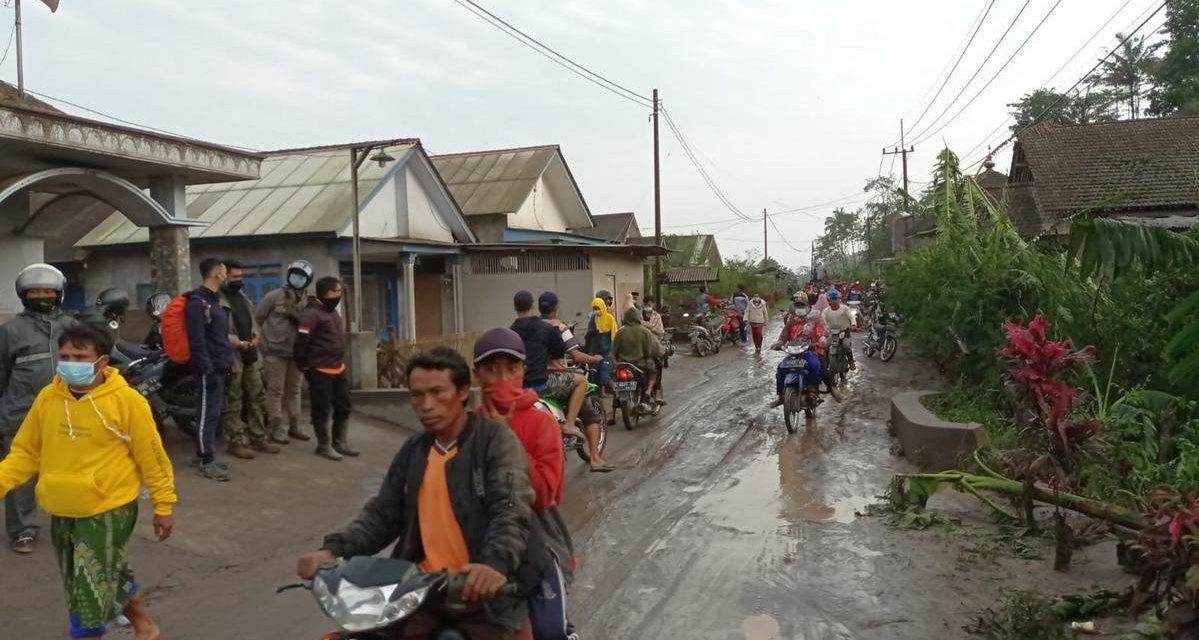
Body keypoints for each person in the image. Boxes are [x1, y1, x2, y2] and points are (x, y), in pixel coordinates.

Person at [296, 348, 539, 640]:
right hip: (420, 594)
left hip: (485, 596)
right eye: (417, 395)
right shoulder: (414, 450)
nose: (426, 405)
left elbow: (511, 507)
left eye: (437, 393)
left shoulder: (494, 441)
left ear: (462, 392)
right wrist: (332, 550)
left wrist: (493, 565)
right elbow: (383, 514)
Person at [0, 323, 176, 639]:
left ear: (102, 361)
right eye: (65, 356)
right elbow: (25, 452)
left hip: (107, 508)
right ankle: (144, 625)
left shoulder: (127, 401)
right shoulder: (47, 398)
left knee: (87, 587)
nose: (71, 363)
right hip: (61, 506)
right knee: (100, 572)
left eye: (80, 357)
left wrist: (164, 505)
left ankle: (89, 633)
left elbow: (153, 458)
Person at [472, 329, 578, 637]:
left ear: (523, 371)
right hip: (480, 546)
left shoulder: (540, 422)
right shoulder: (468, 428)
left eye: (511, 369)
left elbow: (545, 494)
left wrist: (505, 441)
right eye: (491, 369)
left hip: (539, 543)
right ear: (477, 374)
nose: (502, 378)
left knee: (548, 630)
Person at [0, 263, 76, 554]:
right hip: (19, 414)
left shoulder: (71, 327)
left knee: (68, 472)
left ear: (59, 294)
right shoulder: (10, 331)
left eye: (47, 291)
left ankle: (71, 524)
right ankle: (23, 531)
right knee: (20, 476)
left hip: (66, 412)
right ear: (23, 295)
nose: (41, 295)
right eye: (34, 291)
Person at [537, 292, 611, 473]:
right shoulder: (559, 327)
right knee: (589, 412)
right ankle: (594, 457)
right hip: (553, 379)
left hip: (531, 380)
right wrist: (595, 359)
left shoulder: (532, 327)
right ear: (556, 309)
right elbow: (576, 354)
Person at [219, 260, 279, 460]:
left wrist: (255, 336)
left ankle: (258, 437)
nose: (239, 280)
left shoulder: (242, 296)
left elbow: (253, 320)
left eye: (240, 276)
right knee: (234, 400)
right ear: (224, 276)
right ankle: (235, 441)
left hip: (250, 355)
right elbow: (218, 331)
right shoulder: (218, 300)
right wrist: (235, 342)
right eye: (234, 277)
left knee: (257, 396)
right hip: (233, 357)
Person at [294, 277, 355, 461]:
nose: (337, 296)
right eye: (334, 292)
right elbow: (301, 343)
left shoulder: (333, 312)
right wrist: (304, 366)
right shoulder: (311, 314)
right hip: (319, 369)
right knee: (321, 408)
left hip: (337, 367)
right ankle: (323, 445)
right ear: (323, 294)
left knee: (344, 406)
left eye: (339, 292)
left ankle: (340, 442)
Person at [254, 259, 314, 445]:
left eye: (302, 276)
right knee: (275, 391)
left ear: (308, 279)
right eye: (295, 274)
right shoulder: (274, 296)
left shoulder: (308, 300)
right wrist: (262, 342)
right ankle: (276, 428)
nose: (297, 278)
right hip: (274, 351)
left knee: (295, 390)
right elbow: (258, 318)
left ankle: (294, 426)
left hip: (297, 353)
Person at [187, 258, 234, 482]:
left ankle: (204, 455)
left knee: (213, 414)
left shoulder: (213, 301)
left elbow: (219, 338)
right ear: (215, 273)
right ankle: (206, 461)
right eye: (224, 271)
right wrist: (206, 368)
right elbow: (197, 341)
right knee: (207, 414)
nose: (226, 275)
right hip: (208, 369)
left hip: (219, 365)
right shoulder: (198, 303)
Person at [611, 307, 658, 410]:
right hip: (639, 364)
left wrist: (615, 365)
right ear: (638, 317)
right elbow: (647, 352)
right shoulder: (644, 331)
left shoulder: (620, 332)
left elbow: (613, 352)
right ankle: (648, 391)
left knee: (616, 382)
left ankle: (613, 414)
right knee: (653, 371)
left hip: (622, 365)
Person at [821, 289, 857, 370]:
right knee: (825, 346)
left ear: (839, 299)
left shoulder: (845, 309)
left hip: (844, 332)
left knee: (846, 345)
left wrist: (853, 324)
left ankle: (851, 362)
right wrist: (824, 331)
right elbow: (822, 322)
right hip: (832, 333)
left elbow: (852, 317)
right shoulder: (826, 311)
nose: (834, 301)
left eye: (835, 299)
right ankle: (825, 363)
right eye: (832, 299)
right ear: (829, 300)